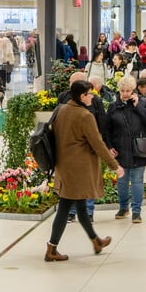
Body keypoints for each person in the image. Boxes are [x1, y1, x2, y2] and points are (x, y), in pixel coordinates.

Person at [45, 79, 124, 262]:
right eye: (90, 94)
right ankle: (51, 248)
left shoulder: (61, 110)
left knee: (80, 206)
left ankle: (95, 241)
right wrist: (115, 166)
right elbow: (98, 144)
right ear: (82, 96)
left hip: (64, 166)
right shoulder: (85, 116)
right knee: (65, 207)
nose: (92, 97)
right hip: (79, 169)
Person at [57, 72, 107, 223]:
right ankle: (72, 212)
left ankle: (88, 211)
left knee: (89, 179)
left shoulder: (94, 100)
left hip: (89, 148)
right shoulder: (63, 98)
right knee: (71, 181)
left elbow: (101, 122)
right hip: (69, 149)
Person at [106, 76, 146, 223]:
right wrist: (109, 146)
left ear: (133, 90)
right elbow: (107, 130)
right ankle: (123, 208)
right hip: (120, 148)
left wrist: (138, 106)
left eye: (128, 90)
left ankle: (136, 211)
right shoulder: (113, 107)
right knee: (121, 181)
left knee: (137, 180)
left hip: (138, 149)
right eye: (122, 90)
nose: (125, 94)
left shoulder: (142, 103)